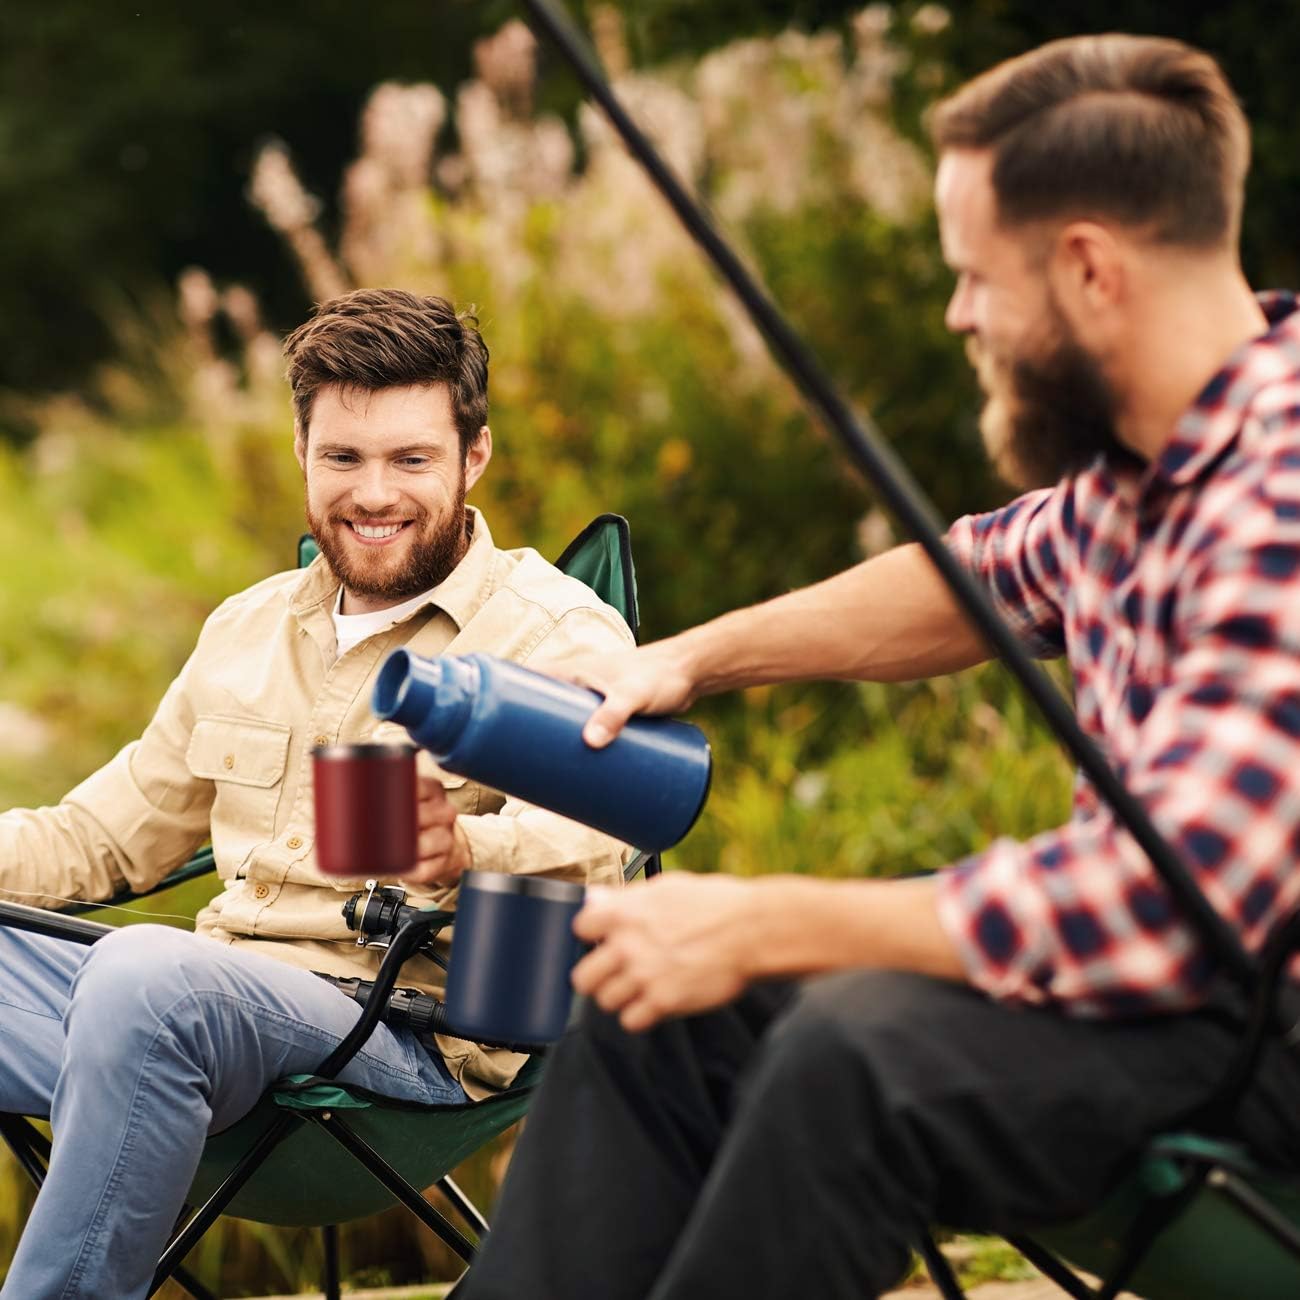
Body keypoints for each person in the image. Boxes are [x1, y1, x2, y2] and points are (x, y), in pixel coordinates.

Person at [457, 34, 1300, 1300]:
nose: (957, 313)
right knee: (657, 1000)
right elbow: (975, 581)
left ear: (1087, 268)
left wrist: (761, 918)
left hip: (1251, 1029)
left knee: (854, 1049)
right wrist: (691, 657)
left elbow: (1177, 903)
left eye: (973, 276)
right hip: (1162, 1005)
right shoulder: (1154, 462)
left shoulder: (1276, 492)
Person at [0, 288, 634, 1299]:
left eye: (409, 459)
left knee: (144, 978)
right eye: (342, 458)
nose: (372, 493)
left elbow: (600, 840)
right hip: (199, 1010)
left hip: (399, 1034)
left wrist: (467, 851)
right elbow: (99, 838)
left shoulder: (553, 635)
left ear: (474, 457)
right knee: (143, 981)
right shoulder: (245, 631)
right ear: (302, 452)